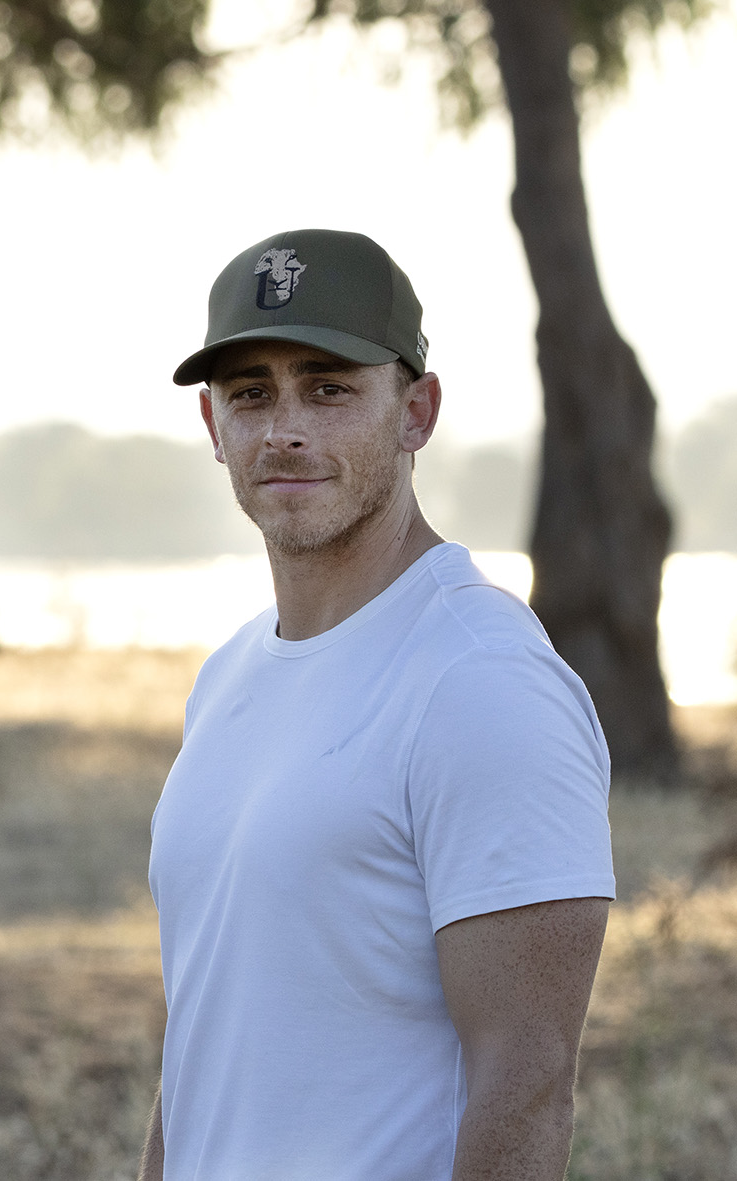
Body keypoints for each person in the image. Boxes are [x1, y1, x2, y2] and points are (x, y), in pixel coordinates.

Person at [139, 230, 614, 1180]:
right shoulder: (229, 674)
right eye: (251, 394)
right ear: (212, 426)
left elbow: (525, 1082)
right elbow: (206, 1040)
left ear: (417, 411)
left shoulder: (482, 683)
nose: (285, 429)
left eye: (329, 388)